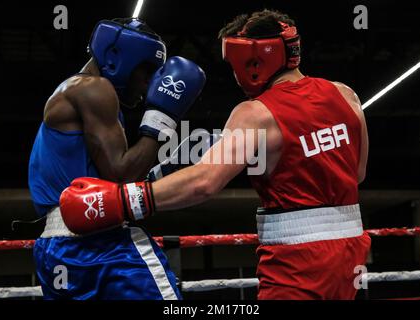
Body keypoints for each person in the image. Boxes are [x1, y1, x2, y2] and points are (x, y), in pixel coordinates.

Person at [59, 10, 371, 300]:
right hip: (351, 253)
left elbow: (205, 182)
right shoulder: (346, 95)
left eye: (234, 63)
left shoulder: (255, 114)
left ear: (252, 60)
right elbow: (356, 174)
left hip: (298, 259)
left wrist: (121, 201)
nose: (235, 75)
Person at [28, 17, 206, 299]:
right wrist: (164, 117)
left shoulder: (78, 93)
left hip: (55, 249)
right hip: (100, 245)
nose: (150, 83)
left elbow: (106, 184)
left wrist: (173, 163)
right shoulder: (94, 89)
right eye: (146, 71)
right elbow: (121, 176)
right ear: (116, 57)